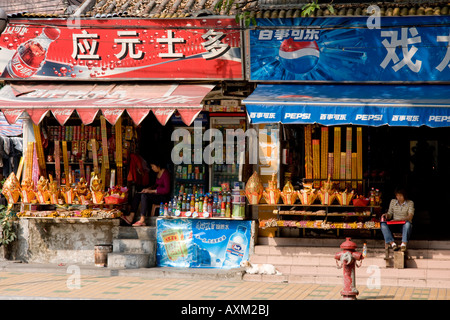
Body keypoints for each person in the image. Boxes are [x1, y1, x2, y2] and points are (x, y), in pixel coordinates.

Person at [122, 159, 171, 226]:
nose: (152, 168)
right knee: (138, 195)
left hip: (163, 198)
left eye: (153, 166)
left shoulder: (165, 174)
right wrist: (148, 189)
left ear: (158, 166)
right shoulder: (158, 174)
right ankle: (131, 216)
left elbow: (166, 190)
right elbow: (156, 185)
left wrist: (151, 191)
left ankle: (142, 220)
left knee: (144, 196)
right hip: (157, 195)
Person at [380, 188, 414, 252]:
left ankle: (404, 244)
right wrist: (386, 215)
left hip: (404, 224)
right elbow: (390, 214)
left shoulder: (410, 203)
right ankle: (392, 244)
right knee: (383, 224)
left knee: (408, 224)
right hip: (394, 224)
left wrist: (400, 220)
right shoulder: (393, 201)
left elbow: (410, 216)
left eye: (401, 196)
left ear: (404, 196)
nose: (399, 197)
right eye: (397, 196)